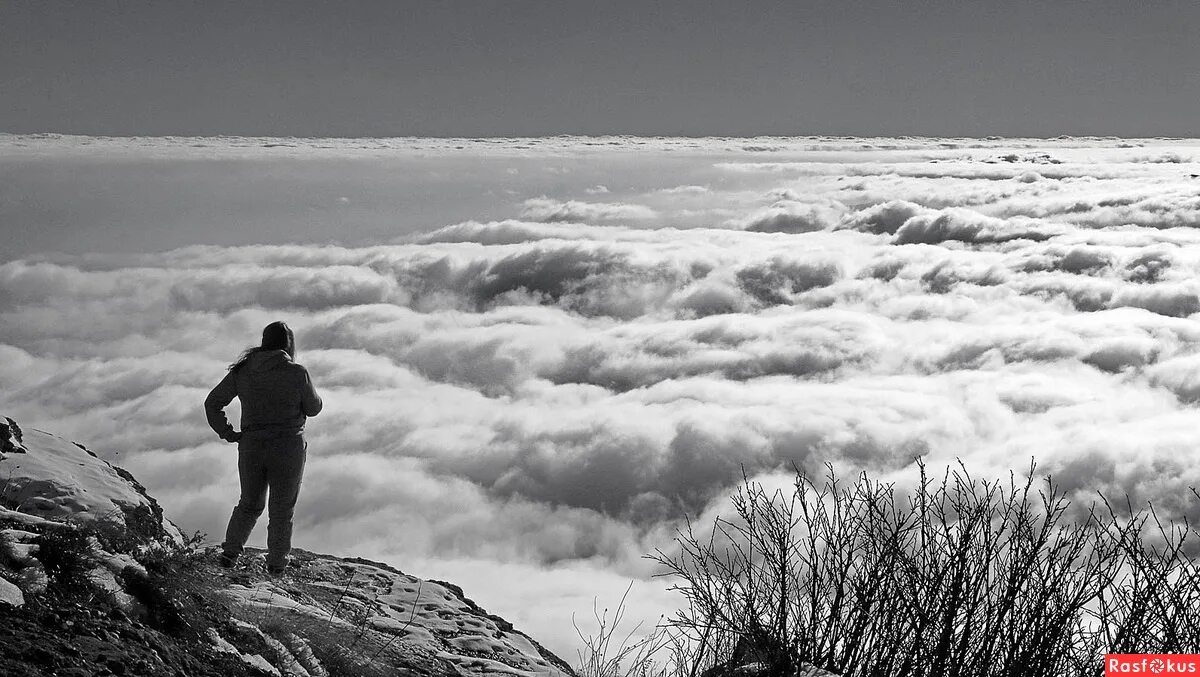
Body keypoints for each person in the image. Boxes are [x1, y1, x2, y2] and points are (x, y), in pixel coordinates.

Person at [204, 321, 322, 574]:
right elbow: (313, 408)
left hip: (251, 445)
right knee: (281, 509)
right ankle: (277, 566)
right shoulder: (297, 372)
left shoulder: (243, 371)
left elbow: (212, 403)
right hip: (288, 445)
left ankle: (230, 554)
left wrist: (227, 432)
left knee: (249, 502)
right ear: (289, 344)